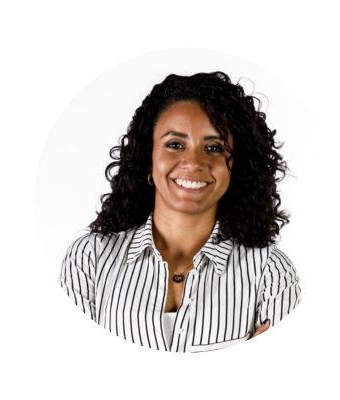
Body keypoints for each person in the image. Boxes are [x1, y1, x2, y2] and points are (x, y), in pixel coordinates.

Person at [58, 71, 302, 353]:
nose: (193, 162)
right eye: (175, 145)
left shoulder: (270, 273)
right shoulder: (89, 260)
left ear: (238, 168)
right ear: (147, 159)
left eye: (214, 147)